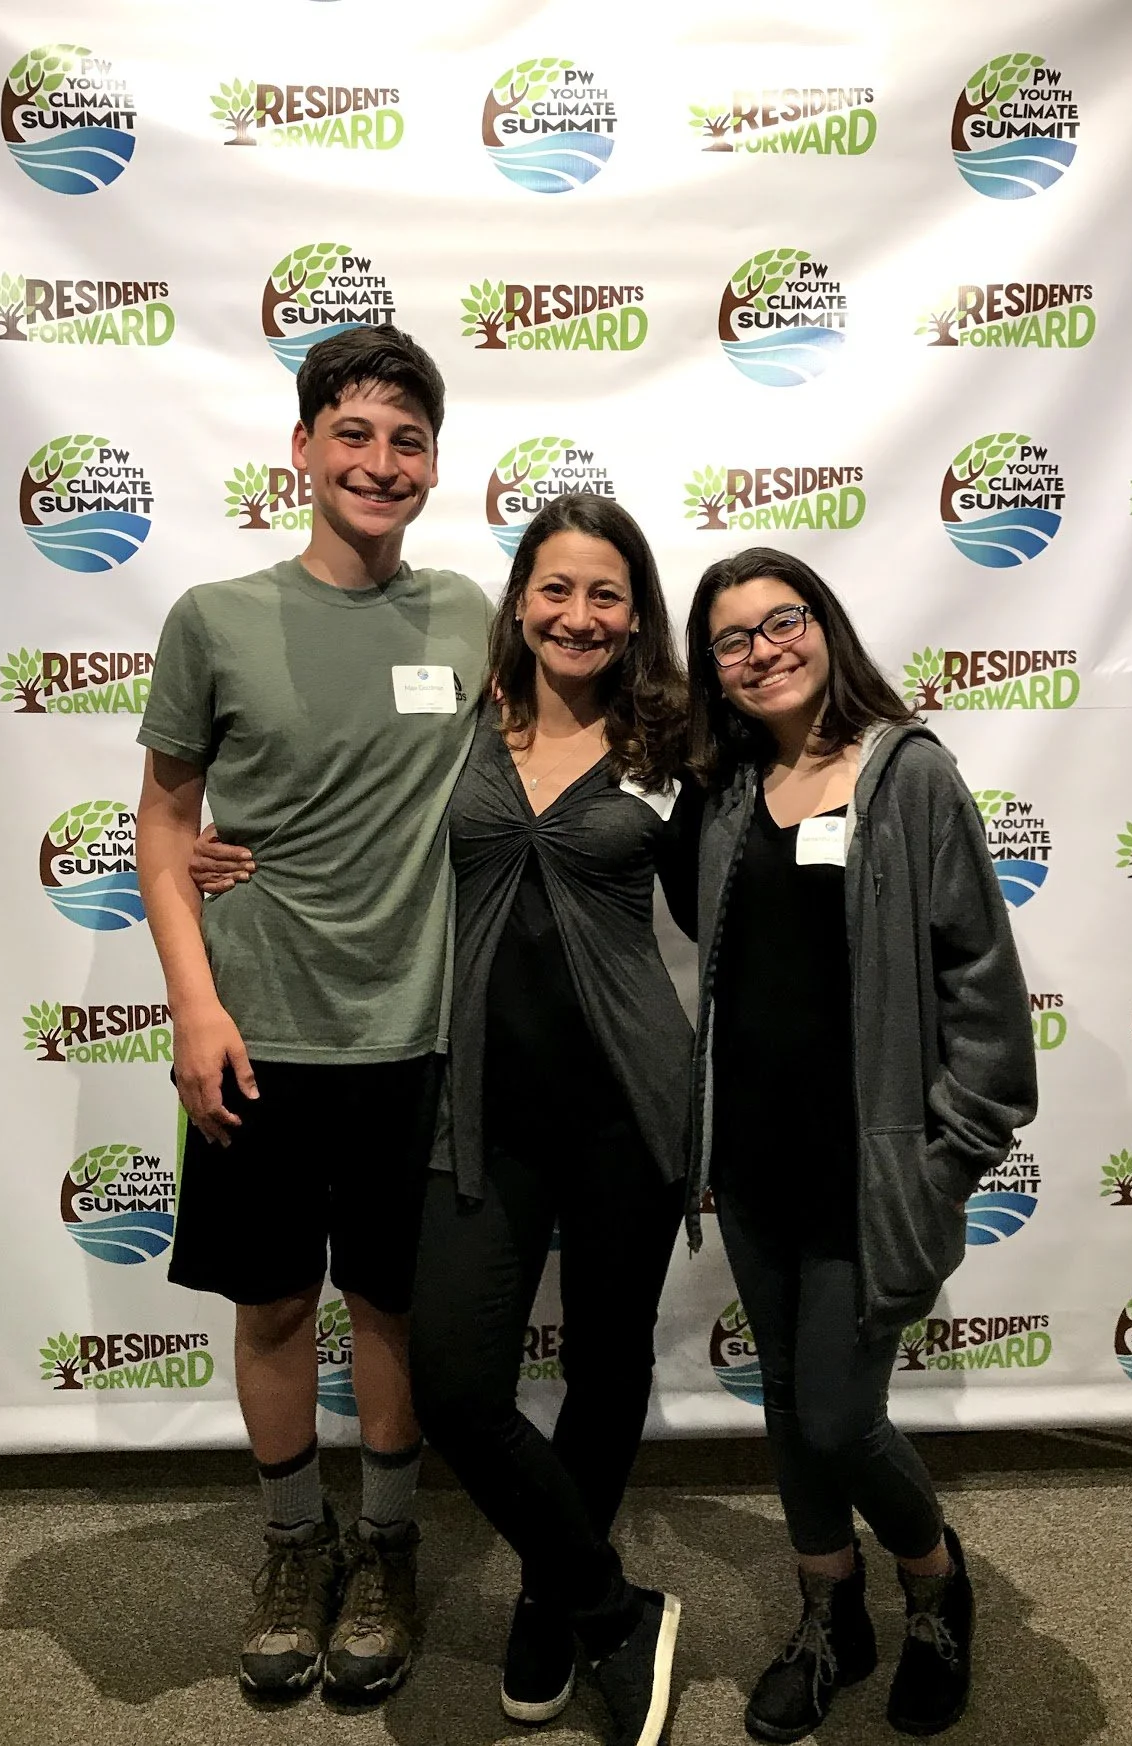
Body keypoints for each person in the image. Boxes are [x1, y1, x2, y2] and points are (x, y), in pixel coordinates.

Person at [193, 493, 695, 1746]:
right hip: (474, 1111)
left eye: (606, 595)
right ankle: (607, 1603)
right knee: (461, 1386)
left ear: (635, 616)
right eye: (555, 589)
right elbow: (336, 795)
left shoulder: (673, 745)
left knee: (606, 1365)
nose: (578, 616)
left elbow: (742, 889)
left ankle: (549, 1593)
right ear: (516, 600)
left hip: (631, 1103)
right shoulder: (463, 724)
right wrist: (218, 852)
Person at [135, 325, 493, 1704]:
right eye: (351, 433)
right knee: (277, 1301)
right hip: (260, 1032)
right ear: (300, 451)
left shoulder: (469, 615)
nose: (378, 461)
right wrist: (192, 1003)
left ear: (431, 465)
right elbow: (166, 826)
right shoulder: (214, 619)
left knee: (391, 1306)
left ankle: (389, 1547)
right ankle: (297, 1545)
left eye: (405, 440)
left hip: (418, 1039)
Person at [679, 547, 1037, 1741]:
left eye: (780, 621)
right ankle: (829, 1610)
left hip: (870, 1167)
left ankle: (934, 1579)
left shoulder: (907, 779)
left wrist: (949, 1154)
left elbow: (981, 984)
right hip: (756, 1162)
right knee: (786, 1400)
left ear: (823, 627)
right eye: (731, 640)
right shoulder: (727, 798)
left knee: (838, 1416)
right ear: (713, 673)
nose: (761, 650)